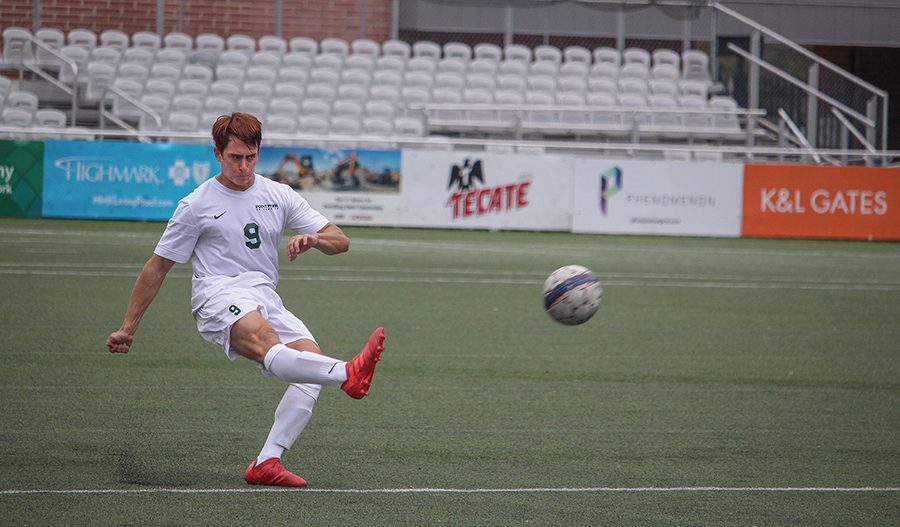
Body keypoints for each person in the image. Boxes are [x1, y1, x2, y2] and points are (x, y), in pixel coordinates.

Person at [106, 112, 386, 488]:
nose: (243, 166)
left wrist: (315, 240)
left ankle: (267, 461)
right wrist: (128, 327)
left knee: (309, 368)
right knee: (272, 346)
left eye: (250, 157)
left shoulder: (277, 194)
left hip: (263, 294)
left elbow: (341, 240)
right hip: (217, 294)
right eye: (235, 157)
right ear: (218, 154)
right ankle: (348, 374)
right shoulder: (196, 204)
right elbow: (158, 267)